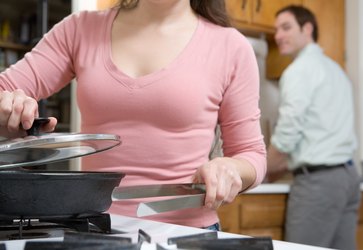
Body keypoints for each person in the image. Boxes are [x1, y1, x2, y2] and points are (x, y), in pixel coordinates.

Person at [0, 0, 266, 229]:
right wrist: (10, 106)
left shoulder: (230, 47)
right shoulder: (80, 29)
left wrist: (230, 168)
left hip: (187, 232)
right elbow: (4, 90)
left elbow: (251, 153)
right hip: (93, 228)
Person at [266, 5, 361, 249]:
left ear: (307, 29)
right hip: (348, 179)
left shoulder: (298, 71)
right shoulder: (336, 70)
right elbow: (316, 137)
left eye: (286, 27)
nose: (278, 36)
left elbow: (287, 135)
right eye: (276, 29)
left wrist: (258, 171)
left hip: (319, 183)